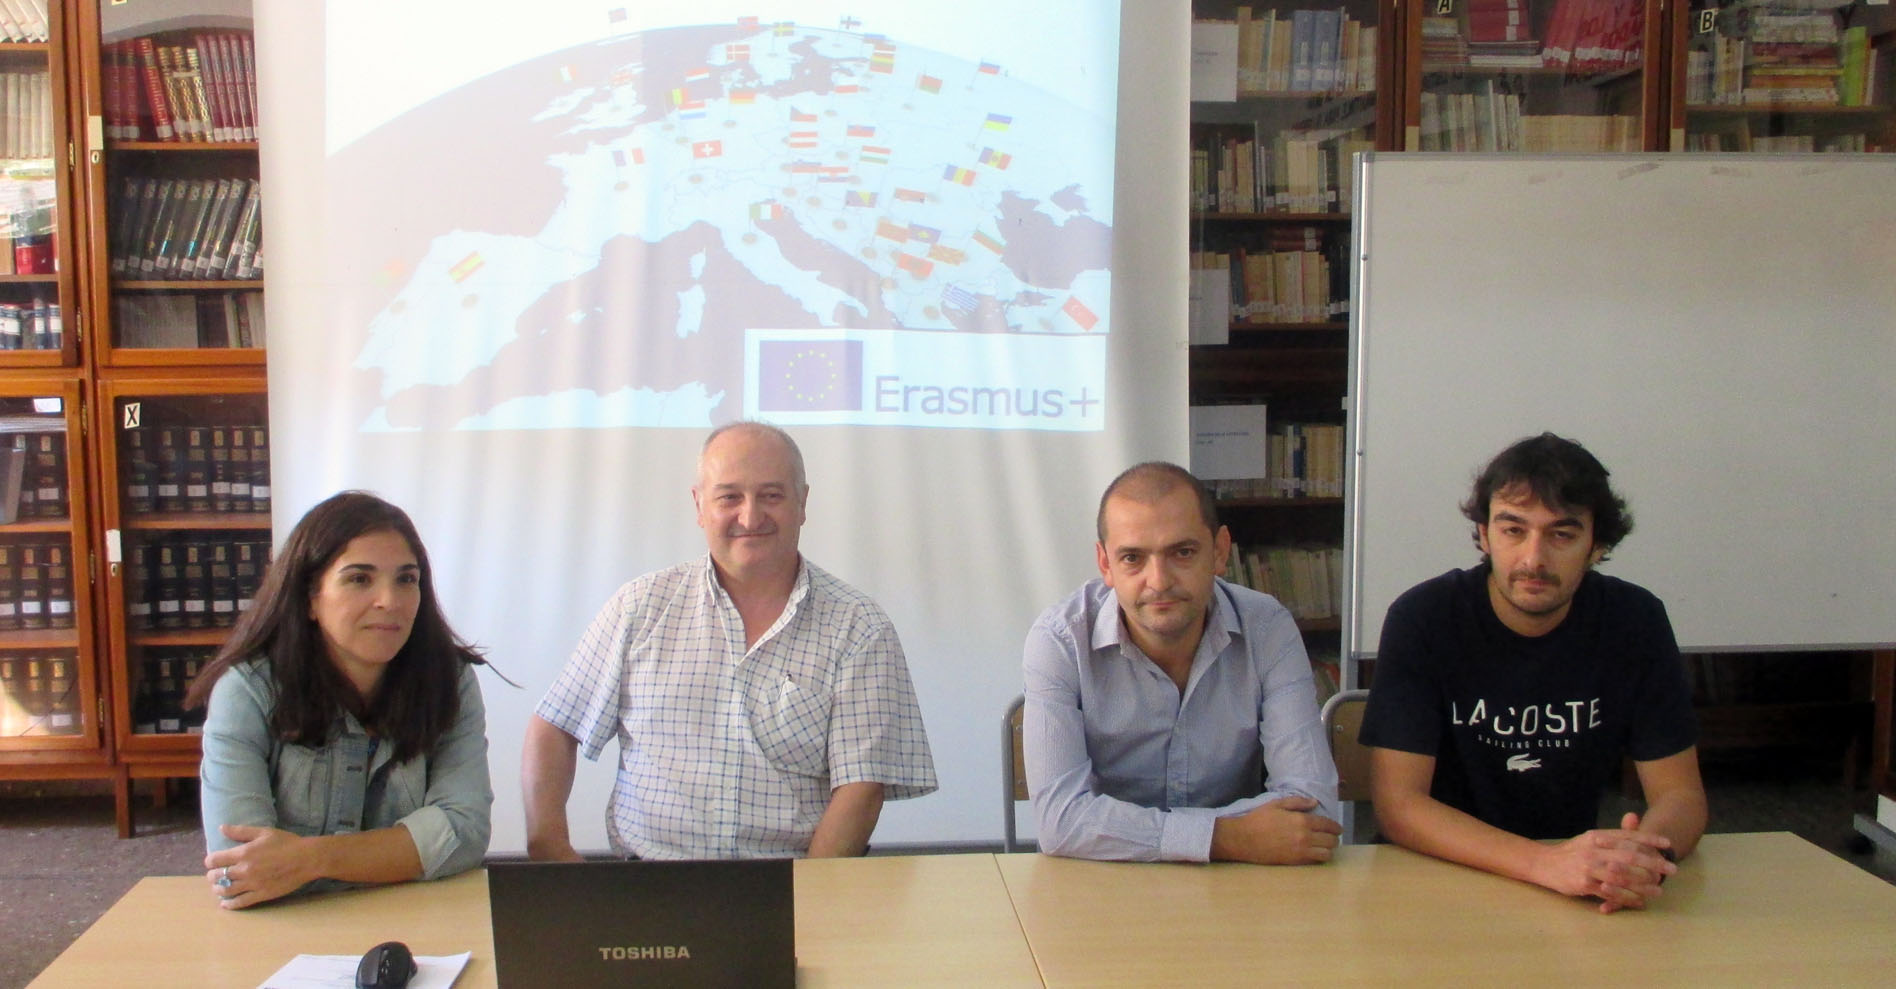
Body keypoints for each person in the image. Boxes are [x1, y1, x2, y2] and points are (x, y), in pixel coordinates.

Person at [522, 421, 936, 860]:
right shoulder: (639, 608)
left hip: (792, 880)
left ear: (802, 503)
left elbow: (862, 788)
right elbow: (555, 727)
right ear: (699, 505)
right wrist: (551, 849)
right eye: (730, 497)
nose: (751, 517)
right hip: (645, 882)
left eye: (771, 495)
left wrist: (812, 893)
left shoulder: (858, 627)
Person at [1360, 433, 1708, 913]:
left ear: (1597, 545)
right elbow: (1399, 806)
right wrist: (1544, 865)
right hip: (1438, 875)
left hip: (1573, 886)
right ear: (1485, 534)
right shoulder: (1424, 618)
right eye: (1513, 530)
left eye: (1562, 534)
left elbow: (1681, 795)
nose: (1534, 559)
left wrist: (1643, 858)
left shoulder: (1635, 620)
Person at [188, 491, 494, 909]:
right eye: (359, 579)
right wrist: (408, 852)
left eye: (406, 579)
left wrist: (309, 859)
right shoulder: (247, 691)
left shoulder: (450, 680)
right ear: (309, 597)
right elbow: (242, 870)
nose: (390, 601)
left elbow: (464, 831)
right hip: (288, 925)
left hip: (415, 918)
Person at [1023, 462, 1340, 863]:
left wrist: (1125, 831)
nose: (1159, 581)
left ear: (1220, 551)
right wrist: (1226, 837)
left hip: (1234, 883)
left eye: (1183, 552)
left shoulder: (1267, 628)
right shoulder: (1060, 640)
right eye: (1132, 558)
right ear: (1105, 564)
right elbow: (1061, 823)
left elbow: (1312, 806)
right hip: (1106, 879)